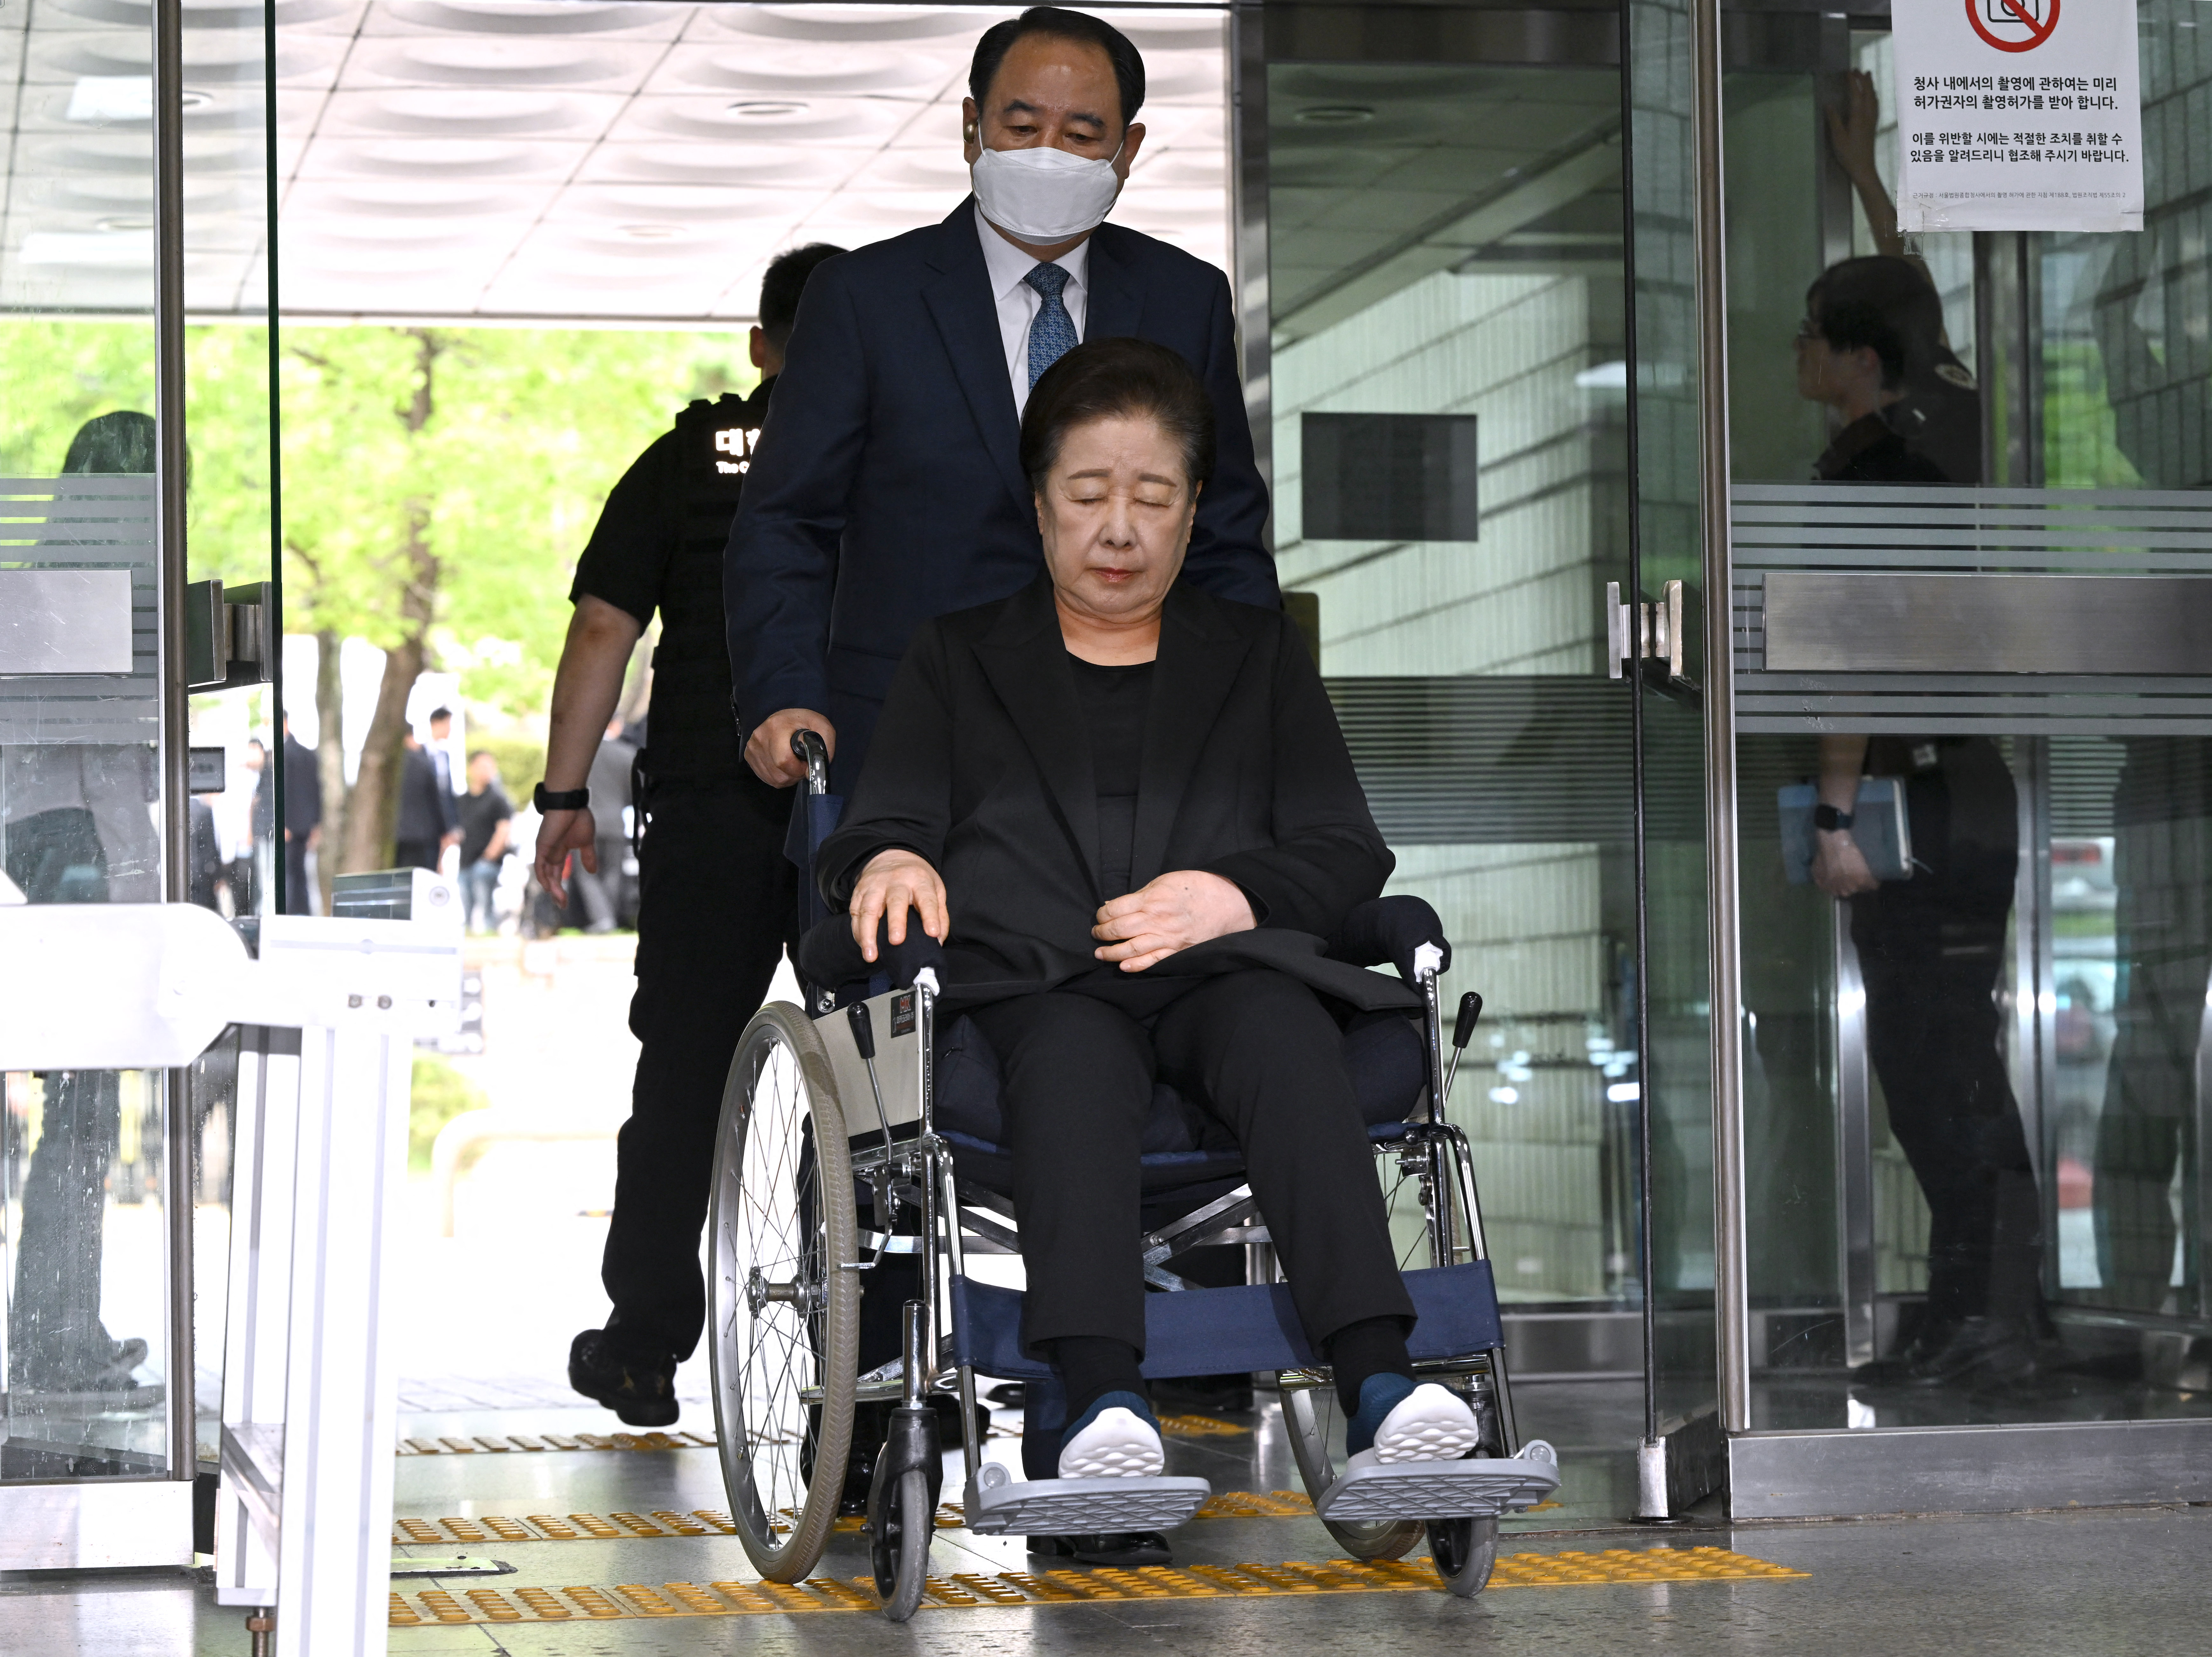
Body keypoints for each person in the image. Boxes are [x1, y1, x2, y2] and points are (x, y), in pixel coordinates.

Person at [816, 338, 1479, 1561]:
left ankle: (1385, 1388)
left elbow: (1342, 848)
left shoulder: (1258, 654)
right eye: (1087, 494)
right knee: (1070, 1061)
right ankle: (1100, 1400)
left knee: (1284, 1032)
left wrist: (1230, 892)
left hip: (1224, 977)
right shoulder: (956, 658)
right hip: (1035, 987)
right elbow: (886, 819)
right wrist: (889, 860)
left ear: (1189, 514)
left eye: (1152, 497)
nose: (1117, 527)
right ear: (1037, 506)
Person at [727, 6, 1278, 800]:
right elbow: (786, 519)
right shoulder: (864, 298)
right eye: (1022, 126)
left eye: (1084, 135)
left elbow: (1222, 528)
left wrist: (1259, 708)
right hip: (908, 739)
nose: (1049, 153)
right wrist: (782, 690)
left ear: (1128, 152)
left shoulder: (1185, 298)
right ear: (971, 128)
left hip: (1137, 749)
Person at [542, 244, 844, 1426]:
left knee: (681, 1077)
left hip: (713, 812)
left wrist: (563, 794)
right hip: (864, 821)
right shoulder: (906, 459)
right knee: (873, 1085)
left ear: (761, 346)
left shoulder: (686, 460)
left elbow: (601, 630)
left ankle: (643, 1343)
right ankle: (865, 1352)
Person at [394, 713, 461, 873]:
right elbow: (436, 798)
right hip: (423, 834)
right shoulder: (422, 761)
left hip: (405, 832)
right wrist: (446, 829)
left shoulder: (440, 756)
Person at [457, 750, 513, 935]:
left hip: (487, 863)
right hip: (465, 861)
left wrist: (489, 857)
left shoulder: (498, 799)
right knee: (466, 905)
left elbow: (504, 829)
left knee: (487, 903)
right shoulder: (462, 800)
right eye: (482, 766)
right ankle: (468, 934)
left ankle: (490, 932)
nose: (486, 771)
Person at [280, 715, 322, 914]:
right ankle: (303, 913)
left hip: (289, 826)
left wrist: (284, 823)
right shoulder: (308, 754)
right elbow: (317, 791)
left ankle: (291, 915)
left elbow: (285, 790)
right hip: (305, 825)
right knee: (300, 874)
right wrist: (316, 824)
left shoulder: (284, 754)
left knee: (290, 874)